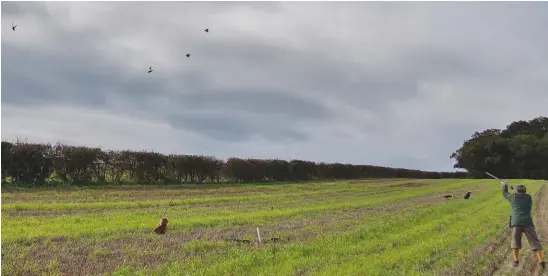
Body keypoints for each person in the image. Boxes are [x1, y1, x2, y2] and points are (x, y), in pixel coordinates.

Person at [502, 183, 545, 269]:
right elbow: (519, 195)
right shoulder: (528, 197)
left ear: (517, 191)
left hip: (516, 223)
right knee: (535, 242)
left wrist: (504, 186)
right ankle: (541, 262)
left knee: (515, 243)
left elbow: (505, 193)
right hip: (527, 222)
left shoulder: (513, 197)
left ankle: (516, 261)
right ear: (525, 192)